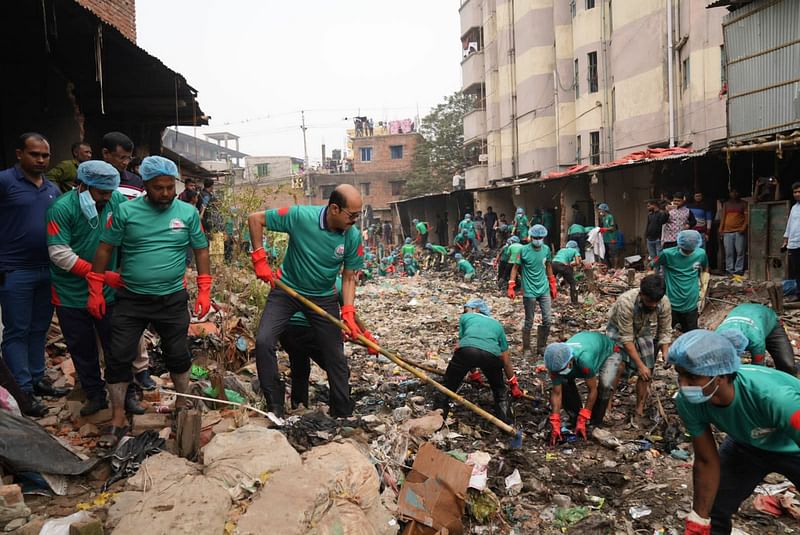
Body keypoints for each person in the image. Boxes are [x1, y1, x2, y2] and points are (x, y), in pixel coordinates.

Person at [89, 156, 211, 448]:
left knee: (178, 352)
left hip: (171, 298)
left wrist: (204, 288)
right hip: (131, 298)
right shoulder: (126, 212)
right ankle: (118, 417)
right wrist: (95, 286)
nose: (166, 193)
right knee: (118, 355)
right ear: (145, 185)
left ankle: (182, 403)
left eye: (170, 187)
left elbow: (201, 250)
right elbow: (105, 249)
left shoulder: (188, 213)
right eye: (159, 187)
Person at [247, 184, 375, 418]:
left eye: (359, 215)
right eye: (352, 215)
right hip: (287, 291)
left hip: (323, 298)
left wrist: (347, 310)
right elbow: (256, 219)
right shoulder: (300, 217)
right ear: (334, 208)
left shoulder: (352, 236)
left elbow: (348, 277)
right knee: (264, 341)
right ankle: (275, 406)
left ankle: (342, 412)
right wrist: (259, 258)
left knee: (335, 357)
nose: (356, 221)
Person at [667, 329, 800, 535]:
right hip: (745, 444)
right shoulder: (689, 402)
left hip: (792, 448)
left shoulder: (775, 398)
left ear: (719, 376)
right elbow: (705, 461)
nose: (684, 385)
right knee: (715, 508)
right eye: (680, 374)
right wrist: (699, 520)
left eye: (692, 376)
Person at [47, 161, 128, 416]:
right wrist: (100, 275)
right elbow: (59, 254)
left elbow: (128, 236)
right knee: (82, 349)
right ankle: (94, 394)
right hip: (70, 293)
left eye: (110, 191)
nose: (107, 197)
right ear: (81, 185)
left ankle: (128, 395)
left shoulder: (116, 202)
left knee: (116, 347)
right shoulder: (62, 208)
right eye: (101, 192)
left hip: (108, 292)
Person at [0, 133, 67, 405]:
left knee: (39, 327)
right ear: (19, 154)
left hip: (47, 268)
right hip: (15, 270)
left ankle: (38, 379)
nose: (40, 159)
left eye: (45, 155)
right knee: (17, 329)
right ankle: (22, 389)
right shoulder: (5, 182)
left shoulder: (52, 189)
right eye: (34, 154)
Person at [434, 298, 521, 424]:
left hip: (467, 352)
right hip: (492, 355)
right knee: (499, 390)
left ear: (477, 309)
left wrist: (474, 373)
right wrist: (513, 384)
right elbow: (506, 360)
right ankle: (505, 423)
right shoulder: (497, 325)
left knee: (448, 386)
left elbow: (465, 344)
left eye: (466, 310)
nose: (464, 313)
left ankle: (437, 419)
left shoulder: (466, 318)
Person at [606, 274, 672, 420]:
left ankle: (639, 409)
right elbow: (627, 338)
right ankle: (607, 405)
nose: (654, 305)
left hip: (643, 329)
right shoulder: (626, 302)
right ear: (641, 294)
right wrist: (639, 365)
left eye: (657, 301)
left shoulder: (664, 302)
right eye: (650, 301)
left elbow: (665, 331)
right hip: (618, 330)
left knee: (648, 369)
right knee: (618, 365)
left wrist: (666, 354)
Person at [544, 332, 622, 444]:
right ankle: (575, 417)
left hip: (609, 352)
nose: (559, 373)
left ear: (570, 361)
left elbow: (592, 390)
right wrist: (555, 420)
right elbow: (557, 393)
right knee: (564, 381)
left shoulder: (584, 360)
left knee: (605, 386)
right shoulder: (555, 363)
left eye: (562, 369)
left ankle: (594, 423)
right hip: (583, 352)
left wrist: (584, 417)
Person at [508, 225, 556, 357]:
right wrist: (511, 284)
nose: (538, 240)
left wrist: (552, 283)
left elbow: (548, 266)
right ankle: (527, 347)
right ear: (531, 237)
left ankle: (541, 346)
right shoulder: (523, 251)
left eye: (540, 238)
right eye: (535, 237)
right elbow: (515, 268)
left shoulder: (546, 249)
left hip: (543, 288)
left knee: (547, 319)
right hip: (529, 290)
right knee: (529, 320)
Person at [715, 303, 796, 375]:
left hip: (767, 320)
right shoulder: (717, 337)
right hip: (744, 312)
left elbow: (757, 369)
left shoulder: (755, 340)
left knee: (788, 365)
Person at [656, 230, 708, 332]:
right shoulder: (667, 254)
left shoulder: (701, 254)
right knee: (663, 334)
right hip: (672, 302)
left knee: (690, 335)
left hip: (691, 301)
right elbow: (653, 264)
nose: (689, 251)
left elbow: (705, 268)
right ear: (679, 245)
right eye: (686, 249)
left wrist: (704, 284)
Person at [101, 132, 143, 200]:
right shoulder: (90, 179)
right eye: (122, 157)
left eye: (129, 158)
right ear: (105, 153)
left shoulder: (136, 182)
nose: (126, 162)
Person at [718, 188, 748, 276]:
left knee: (740, 251)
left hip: (739, 231)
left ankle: (738, 270)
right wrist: (721, 229)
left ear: (739, 193)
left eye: (736, 192)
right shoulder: (726, 204)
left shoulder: (743, 204)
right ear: (729, 193)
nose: (734, 194)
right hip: (727, 231)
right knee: (729, 252)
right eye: (732, 192)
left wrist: (743, 227)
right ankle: (729, 270)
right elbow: (723, 217)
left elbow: (747, 217)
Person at [783, 182, 800, 296]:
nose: (797, 194)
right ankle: (798, 293)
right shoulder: (794, 208)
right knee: (797, 271)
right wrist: (785, 239)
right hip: (794, 243)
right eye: (795, 192)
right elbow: (790, 224)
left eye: (799, 191)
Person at [597, 203, 618, 267]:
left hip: (611, 238)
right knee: (605, 254)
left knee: (613, 254)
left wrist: (604, 229)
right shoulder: (603, 218)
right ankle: (609, 267)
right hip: (605, 239)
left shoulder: (610, 217)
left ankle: (615, 267)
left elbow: (612, 228)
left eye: (600, 210)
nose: (599, 211)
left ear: (604, 209)